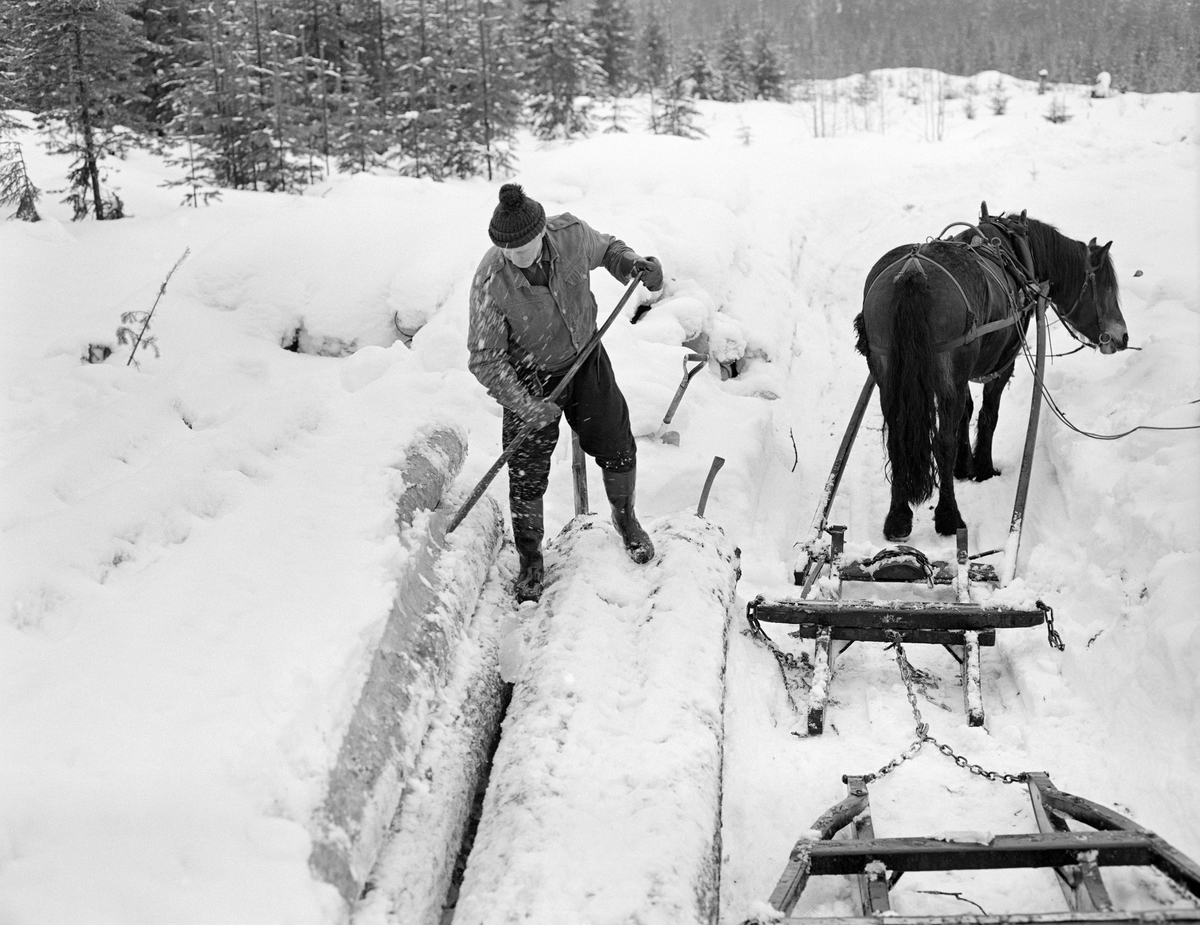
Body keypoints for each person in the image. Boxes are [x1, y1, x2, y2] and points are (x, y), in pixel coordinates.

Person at [468, 183, 664, 603]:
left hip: (584, 357)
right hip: (527, 376)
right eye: (510, 252)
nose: (520, 257)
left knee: (616, 443)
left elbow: (609, 249)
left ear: (542, 231)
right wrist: (525, 404)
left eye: (527, 247)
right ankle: (530, 558)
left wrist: (633, 264)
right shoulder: (490, 281)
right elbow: (484, 359)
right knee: (526, 472)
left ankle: (626, 520)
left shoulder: (571, 235)